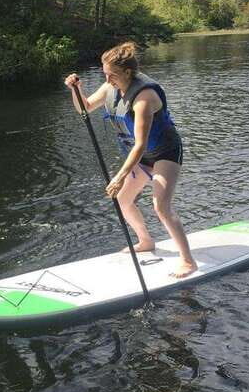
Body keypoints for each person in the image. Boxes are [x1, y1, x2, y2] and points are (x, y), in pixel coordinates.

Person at [64, 42, 197, 278]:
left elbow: (140, 144)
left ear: (127, 72)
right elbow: (84, 109)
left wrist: (119, 175)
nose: (107, 79)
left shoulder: (144, 96)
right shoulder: (110, 87)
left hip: (164, 152)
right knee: (123, 199)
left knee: (160, 206)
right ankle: (146, 241)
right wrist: (76, 90)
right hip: (141, 156)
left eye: (111, 74)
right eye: (105, 73)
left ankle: (188, 261)